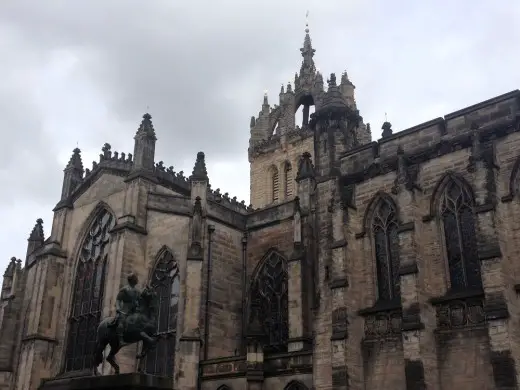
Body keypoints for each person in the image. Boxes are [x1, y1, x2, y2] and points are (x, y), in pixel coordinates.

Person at [108, 272, 141, 346]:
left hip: (135, 309)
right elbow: (118, 300)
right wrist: (118, 308)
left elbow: (140, 300)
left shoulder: (138, 291)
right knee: (121, 322)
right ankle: (121, 340)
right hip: (125, 309)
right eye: (136, 279)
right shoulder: (124, 289)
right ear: (132, 280)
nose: (137, 280)